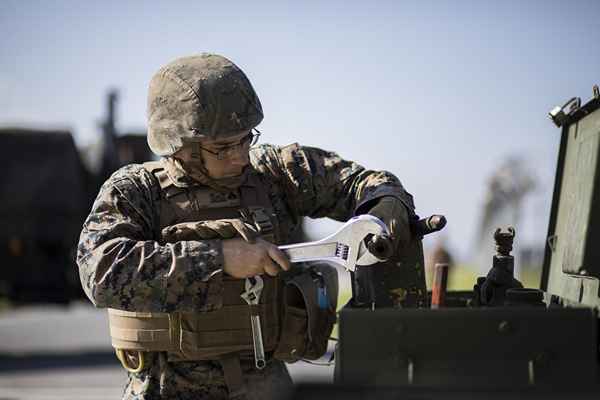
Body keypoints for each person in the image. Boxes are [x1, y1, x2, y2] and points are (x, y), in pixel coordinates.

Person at [76, 53, 417, 399]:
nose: (240, 156)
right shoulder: (136, 191)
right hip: (166, 390)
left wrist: (386, 205)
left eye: (245, 139)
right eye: (222, 148)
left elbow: (365, 183)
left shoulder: (273, 172)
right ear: (181, 147)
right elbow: (100, 270)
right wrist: (218, 259)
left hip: (264, 387)